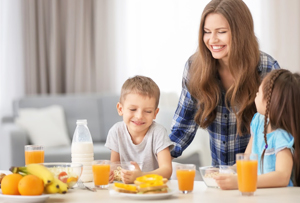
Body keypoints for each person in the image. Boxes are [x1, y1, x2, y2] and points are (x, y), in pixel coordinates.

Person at [169, 0, 280, 166]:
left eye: (221, 32)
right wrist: (157, 158)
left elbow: (278, 128)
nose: (212, 40)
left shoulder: (267, 68)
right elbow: (183, 126)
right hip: (220, 177)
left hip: (259, 175)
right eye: (207, 32)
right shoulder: (194, 68)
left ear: (241, 32)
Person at [215, 69, 300, 188]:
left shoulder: (281, 136)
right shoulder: (258, 122)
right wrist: (226, 172)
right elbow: (246, 159)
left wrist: (241, 181)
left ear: (271, 103)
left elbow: (282, 176)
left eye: (259, 92)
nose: (256, 94)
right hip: (260, 194)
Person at [105, 75, 174, 184]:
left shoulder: (158, 133)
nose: (139, 116)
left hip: (153, 188)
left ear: (155, 113)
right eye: (133, 109)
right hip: (127, 189)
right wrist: (110, 174)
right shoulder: (116, 131)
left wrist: (141, 176)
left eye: (148, 111)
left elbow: (167, 170)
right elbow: (115, 167)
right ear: (120, 109)